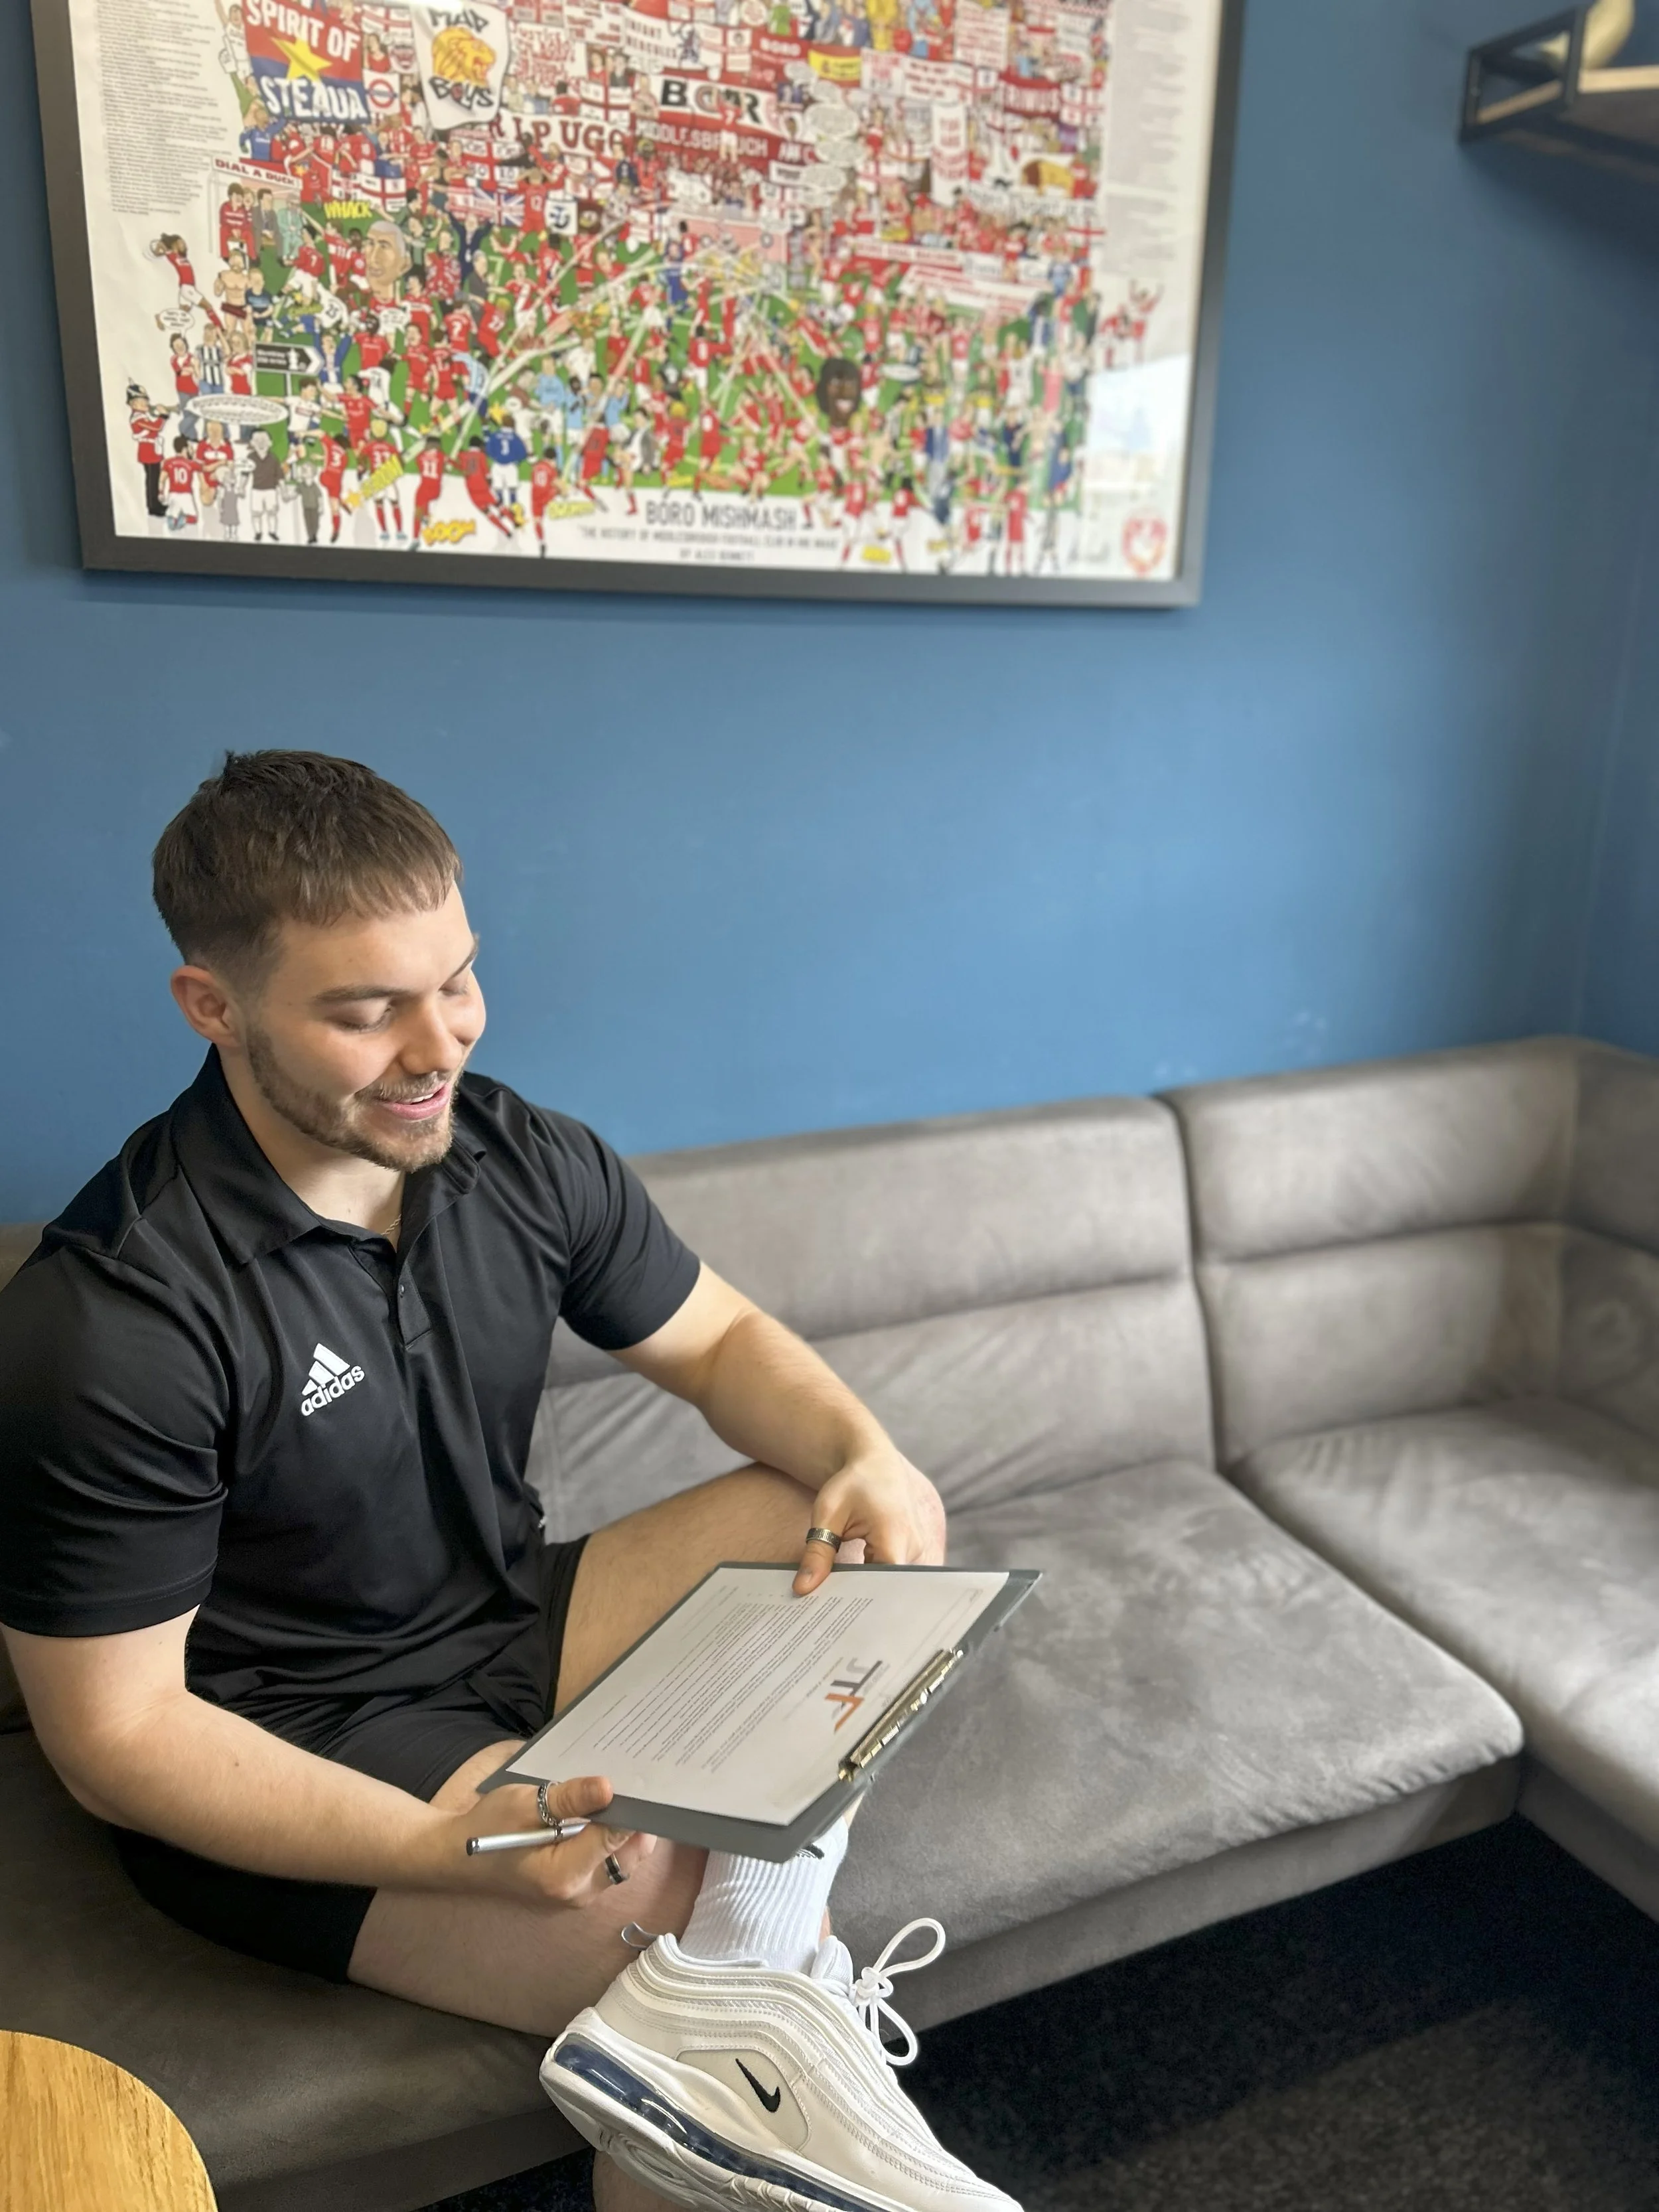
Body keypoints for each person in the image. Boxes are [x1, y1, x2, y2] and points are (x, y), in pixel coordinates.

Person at [0, 753, 1015, 2212]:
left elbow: (723, 1338)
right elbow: (121, 1740)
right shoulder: (111, 1321)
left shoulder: (516, 1153)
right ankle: (778, 2062)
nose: (440, 1047)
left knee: (847, 1527)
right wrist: (438, 1846)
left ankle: (740, 2024)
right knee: (680, 1956)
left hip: (506, 1618)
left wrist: (863, 1447)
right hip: (289, 1735)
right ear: (212, 1006)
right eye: (366, 1011)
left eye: (457, 981)